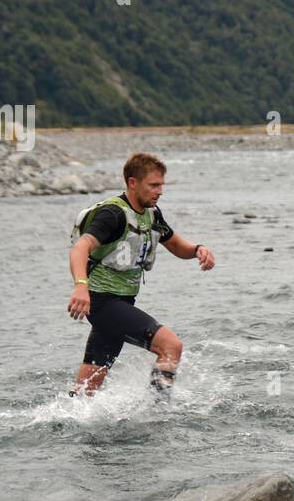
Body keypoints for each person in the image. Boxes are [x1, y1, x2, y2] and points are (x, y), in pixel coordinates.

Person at [65, 153, 215, 399]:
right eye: (154, 185)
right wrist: (80, 286)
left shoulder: (152, 213)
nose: (160, 191)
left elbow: (176, 245)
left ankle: (65, 420)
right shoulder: (113, 214)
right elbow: (80, 248)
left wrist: (198, 250)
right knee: (171, 346)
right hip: (102, 301)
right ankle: (159, 411)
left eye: (162, 185)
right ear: (133, 183)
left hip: (121, 303)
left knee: (86, 390)